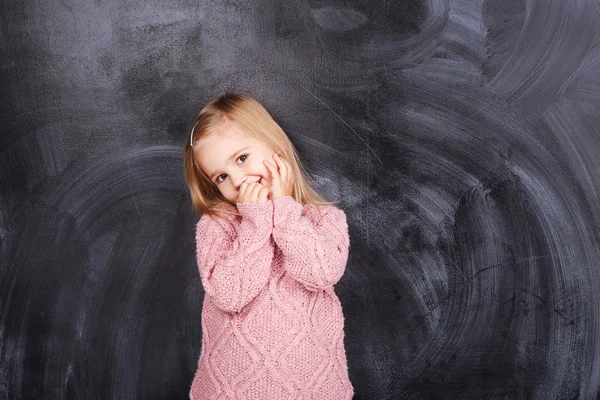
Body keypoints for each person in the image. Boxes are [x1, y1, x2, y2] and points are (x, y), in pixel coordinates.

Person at [183, 92, 354, 399]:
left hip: (310, 387)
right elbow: (230, 295)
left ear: (274, 145)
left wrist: (285, 211)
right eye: (221, 176)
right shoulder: (217, 225)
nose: (237, 180)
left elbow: (321, 274)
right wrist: (255, 223)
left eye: (242, 158)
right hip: (235, 390)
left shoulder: (324, 219)